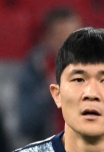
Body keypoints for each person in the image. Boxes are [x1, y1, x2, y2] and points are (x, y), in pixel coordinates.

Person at [16, 6, 82, 143]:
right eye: (62, 35)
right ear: (48, 38)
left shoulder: (100, 66)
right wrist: (48, 93)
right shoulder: (34, 70)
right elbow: (25, 124)